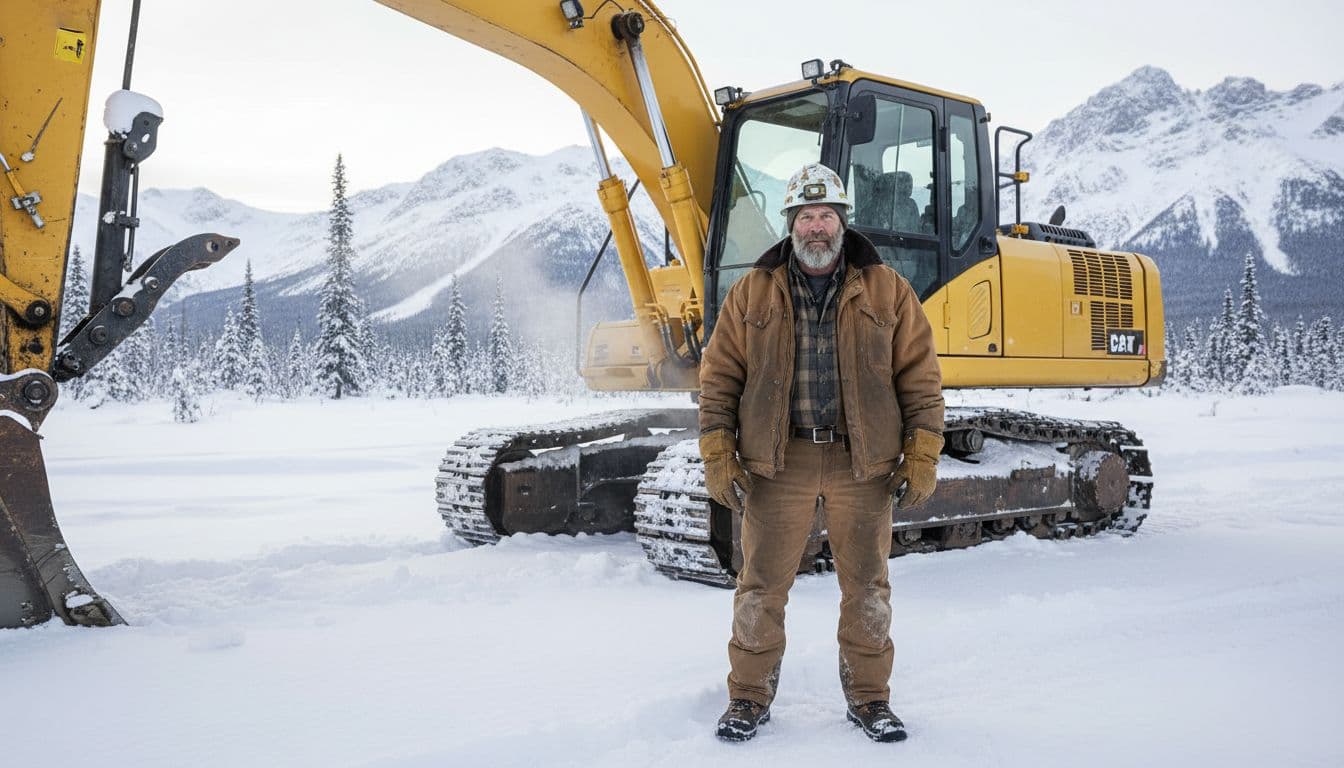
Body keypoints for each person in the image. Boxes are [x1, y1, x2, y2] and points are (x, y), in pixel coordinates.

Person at [698, 162, 945, 743]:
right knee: (760, 586)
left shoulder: (888, 289)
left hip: (863, 464)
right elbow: (719, 378)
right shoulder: (752, 291)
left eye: (826, 215)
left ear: (842, 222)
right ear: (790, 224)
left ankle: (870, 698)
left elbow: (920, 378)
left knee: (867, 587)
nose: (816, 227)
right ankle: (748, 697)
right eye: (805, 216)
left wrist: (924, 451)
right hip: (778, 463)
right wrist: (718, 450)